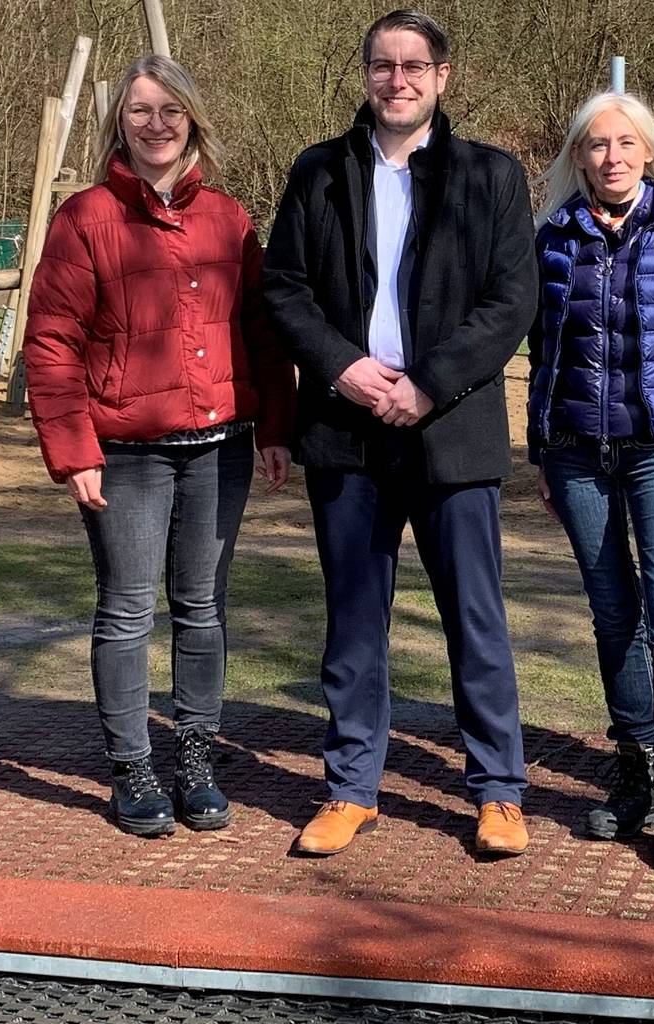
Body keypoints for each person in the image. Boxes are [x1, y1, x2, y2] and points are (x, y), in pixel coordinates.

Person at [261, 10, 539, 858]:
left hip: (451, 430)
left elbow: (511, 301)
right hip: (346, 432)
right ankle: (350, 788)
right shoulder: (319, 172)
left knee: (476, 619)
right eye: (383, 66)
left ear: (442, 77)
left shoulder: (490, 176)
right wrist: (343, 367)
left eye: (414, 66)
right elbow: (283, 290)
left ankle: (498, 793)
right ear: (366, 75)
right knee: (353, 620)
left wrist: (428, 382)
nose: (398, 80)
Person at [22, 54, 294, 839]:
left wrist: (277, 426)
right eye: (140, 110)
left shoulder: (230, 219)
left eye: (170, 109)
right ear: (120, 123)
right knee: (128, 609)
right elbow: (50, 342)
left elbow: (264, 334)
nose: (156, 123)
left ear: (192, 120)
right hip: (128, 450)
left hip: (220, 445)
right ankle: (132, 765)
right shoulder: (86, 218)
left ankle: (197, 756)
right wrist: (73, 448)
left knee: (203, 609)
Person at [526, 91, 654, 873]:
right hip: (578, 452)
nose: (611, 157)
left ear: (649, 152)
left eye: (625, 143)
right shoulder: (555, 239)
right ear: (578, 157)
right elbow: (541, 354)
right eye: (595, 145)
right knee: (613, 615)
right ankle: (638, 767)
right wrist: (539, 450)